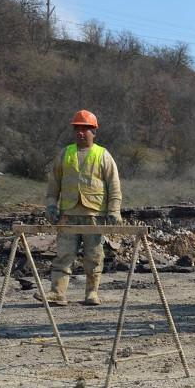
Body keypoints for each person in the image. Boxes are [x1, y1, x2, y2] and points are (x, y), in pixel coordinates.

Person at [38, 110, 122, 306]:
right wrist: (51, 205)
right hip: (68, 214)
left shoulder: (103, 155)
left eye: (85, 129)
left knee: (94, 256)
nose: (80, 133)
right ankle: (57, 293)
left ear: (94, 131)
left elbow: (114, 185)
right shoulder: (65, 153)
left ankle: (92, 293)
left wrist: (114, 210)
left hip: (93, 215)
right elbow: (53, 185)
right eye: (77, 128)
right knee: (64, 254)